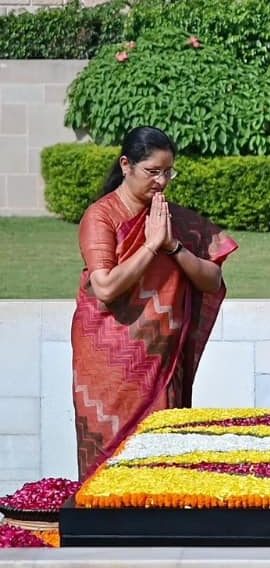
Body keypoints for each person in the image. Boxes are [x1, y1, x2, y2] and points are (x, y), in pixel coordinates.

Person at [72, 126, 237, 478]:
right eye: (152, 171)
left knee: (162, 458)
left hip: (161, 358)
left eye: (168, 172)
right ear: (126, 165)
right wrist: (150, 246)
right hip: (109, 363)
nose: (161, 182)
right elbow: (104, 287)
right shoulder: (101, 216)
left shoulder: (171, 219)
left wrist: (172, 246)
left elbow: (212, 280)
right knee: (109, 466)